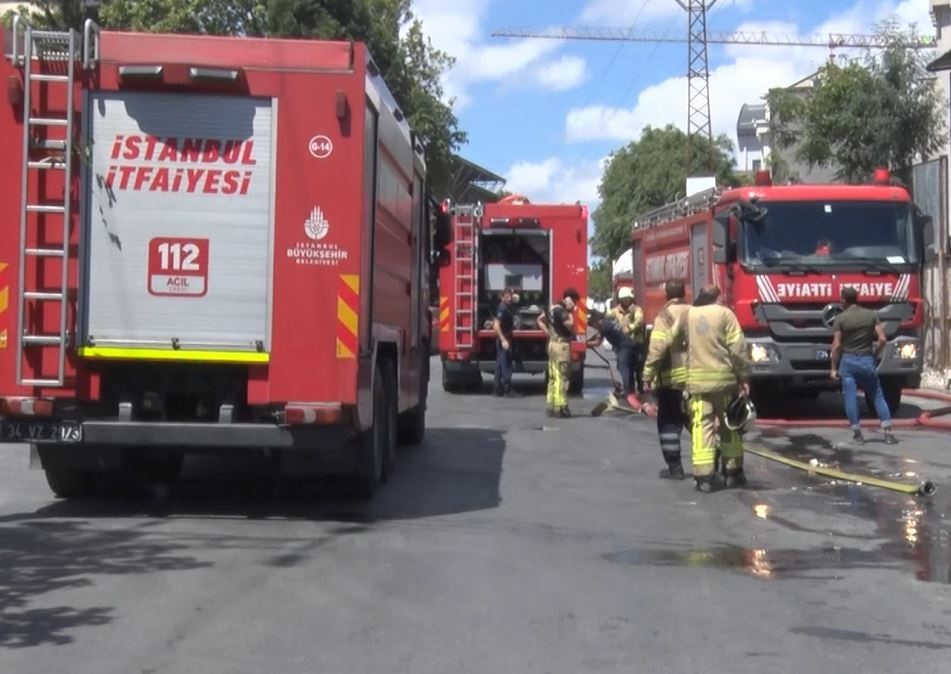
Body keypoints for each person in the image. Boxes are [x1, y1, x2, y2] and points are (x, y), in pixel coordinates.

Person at [667, 285, 751, 493]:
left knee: (701, 427)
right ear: (718, 297)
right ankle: (732, 473)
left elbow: (670, 340)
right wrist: (743, 376)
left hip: (697, 384)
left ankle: (704, 477)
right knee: (730, 426)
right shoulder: (725, 314)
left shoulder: (688, 315)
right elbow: (737, 349)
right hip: (724, 382)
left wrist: (687, 351)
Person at [830, 286, 897, 445]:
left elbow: (837, 345)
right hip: (867, 361)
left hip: (848, 362)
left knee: (850, 397)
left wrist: (833, 368)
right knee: (877, 395)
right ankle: (887, 433)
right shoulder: (871, 315)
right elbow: (882, 339)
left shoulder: (840, 319)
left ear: (843, 300)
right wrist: (874, 355)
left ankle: (857, 434)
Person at [642, 280, 691, 480]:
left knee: (669, 424)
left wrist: (648, 374)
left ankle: (675, 467)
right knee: (696, 422)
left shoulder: (665, 315)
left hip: (672, 381)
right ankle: (710, 465)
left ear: (666, 295)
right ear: (684, 294)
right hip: (696, 378)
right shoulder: (694, 312)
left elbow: (658, 348)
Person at [538, 288, 581, 418]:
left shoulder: (552, 308)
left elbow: (539, 319)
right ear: (569, 299)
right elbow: (570, 325)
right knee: (562, 377)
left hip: (552, 344)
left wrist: (548, 333)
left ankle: (551, 405)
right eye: (574, 301)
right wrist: (571, 312)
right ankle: (561, 407)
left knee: (553, 376)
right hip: (561, 346)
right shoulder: (562, 311)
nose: (574, 304)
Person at [586, 309, 637, 408]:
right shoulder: (607, 323)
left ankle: (626, 391)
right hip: (627, 344)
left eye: (593, 325)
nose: (594, 327)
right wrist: (587, 343)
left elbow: (597, 342)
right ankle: (629, 390)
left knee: (623, 367)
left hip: (624, 346)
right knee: (622, 367)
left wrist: (585, 344)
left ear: (597, 322)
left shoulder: (604, 327)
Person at [610, 288, 646, 394]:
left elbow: (639, 320)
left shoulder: (636, 309)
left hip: (636, 343)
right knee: (627, 367)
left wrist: (630, 328)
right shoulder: (615, 311)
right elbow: (608, 318)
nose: (626, 301)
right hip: (623, 345)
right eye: (623, 299)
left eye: (627, 299)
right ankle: (629, 389)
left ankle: (640, 386)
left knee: (639, 366)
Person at [492, 288, 519, 397]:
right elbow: (496, 325)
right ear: (502, 297)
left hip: (504, 338)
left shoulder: (507, 307)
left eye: (510, 296)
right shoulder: (502, 308)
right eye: (507, 297)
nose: (509, 298)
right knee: (506, 364)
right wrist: (503, 340)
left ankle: (497, 389)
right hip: (504, 339)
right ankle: (507, 389)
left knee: (499, 365)